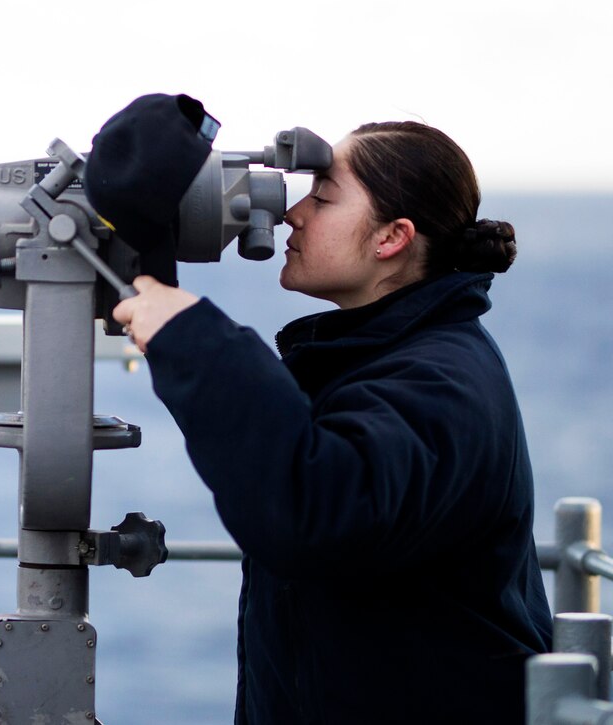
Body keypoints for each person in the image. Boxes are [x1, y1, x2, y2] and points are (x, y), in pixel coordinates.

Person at [112, 121, 553, 724]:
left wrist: (197, 342)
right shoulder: (384, 355)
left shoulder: (442, 382)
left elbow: (316, 510)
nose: (294, 213)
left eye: (322, 198)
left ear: (392, 238)